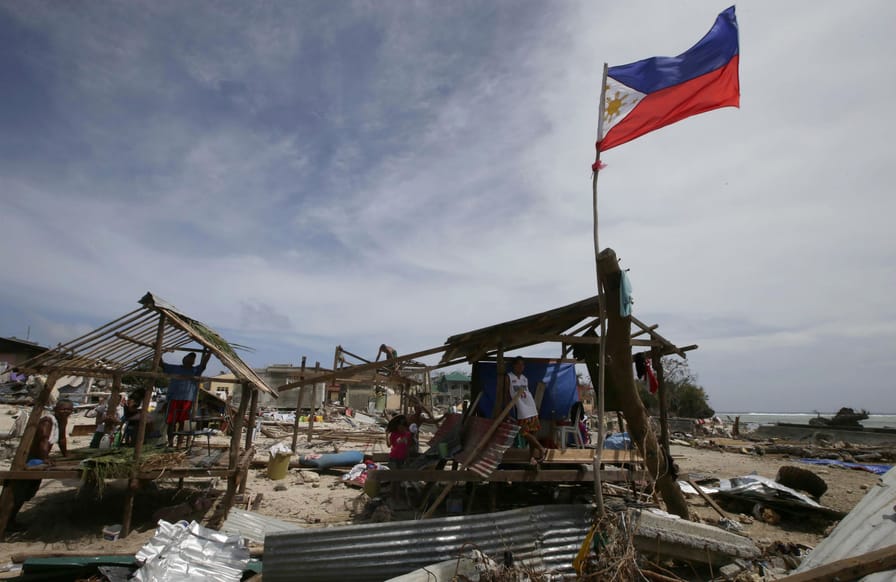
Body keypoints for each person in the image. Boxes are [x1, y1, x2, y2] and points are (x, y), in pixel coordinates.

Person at [6, 399, 74, 530]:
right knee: (19, 492)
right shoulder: (47, 421)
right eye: (63, 409)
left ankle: (11, 519)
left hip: (40, 458)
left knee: (28, 492)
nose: (66, 412)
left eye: (69, 409)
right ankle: (8, 520)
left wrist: (66, 455)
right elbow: (43, 440)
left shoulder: (62, 421)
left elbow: (61, 438)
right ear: (56, 409)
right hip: (32, 459)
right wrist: (45, 458)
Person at [161, 350, 211, 448]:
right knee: (171, 422)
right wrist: (159, 353)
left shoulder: (195, 370)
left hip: (187, 400)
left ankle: (179, 444)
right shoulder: (175, 368)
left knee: (182, 422)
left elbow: (204, 364)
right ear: (183, 359)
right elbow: (162, 365)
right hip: (174, 398)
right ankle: (170, 443)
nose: (189, 361)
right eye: (188, 358)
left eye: (192, 359)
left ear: (193, 362)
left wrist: (209, 353)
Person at [506, 356, 546, 466]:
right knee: (523, 432)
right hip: (522, 409)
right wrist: (508, 408)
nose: (521, 367)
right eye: (518, 364)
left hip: (531, 407)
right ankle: (541, 448)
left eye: (522, 365)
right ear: (514, 365)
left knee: (532, 433)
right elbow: (507, 394)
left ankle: (532, 458)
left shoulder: (524, 378)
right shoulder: (509, 377)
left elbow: (527, 394)